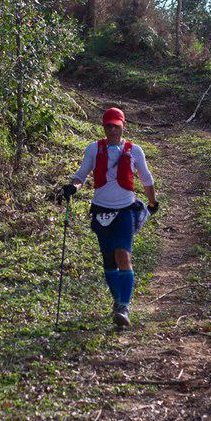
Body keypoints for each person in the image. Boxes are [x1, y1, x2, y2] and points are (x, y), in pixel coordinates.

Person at [62, 107, 158, 328]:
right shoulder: (93, 149)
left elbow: (146, 179)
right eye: (108, 125)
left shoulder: (135, 151)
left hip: (125, 210)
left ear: (124, 125)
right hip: (100, 211)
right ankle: (117, 300)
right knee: (108, 260)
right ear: (103, 127)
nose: (112, 129)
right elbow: (81, 175)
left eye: (116, 125)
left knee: (123, 255)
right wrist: (73, 188)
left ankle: (124, 306)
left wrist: (152, 203)